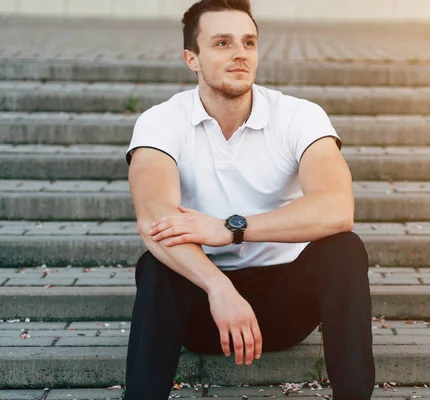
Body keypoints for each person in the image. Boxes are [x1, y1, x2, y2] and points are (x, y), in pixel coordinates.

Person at [123, 0, 375, 398]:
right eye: (222, 43)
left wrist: (233, 229)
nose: (240, 53)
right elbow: (154, 220)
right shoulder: (161, 121)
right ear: (192, 58)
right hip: (202, 304)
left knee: (344, 250)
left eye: (249, 42)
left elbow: (338, 208)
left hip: (286, 305)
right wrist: (218, 287)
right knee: (155, 266)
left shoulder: (298, 116)